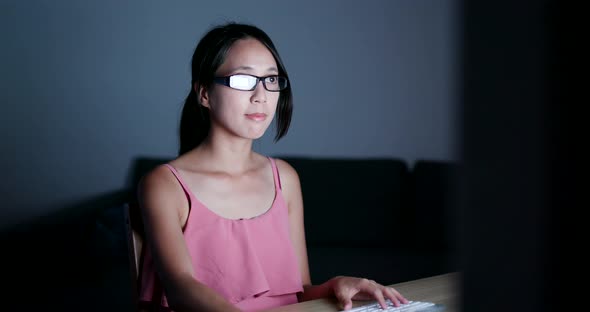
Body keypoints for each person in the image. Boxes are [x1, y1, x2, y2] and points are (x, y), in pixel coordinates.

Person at [137, 22, 408, 312]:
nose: (261, 96)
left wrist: (334, 285)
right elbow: (180, 288)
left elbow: (299, 292)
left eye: (271, 80)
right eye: (244, 80)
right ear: (204, 93)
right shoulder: (165, 184)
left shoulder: (285, 178)